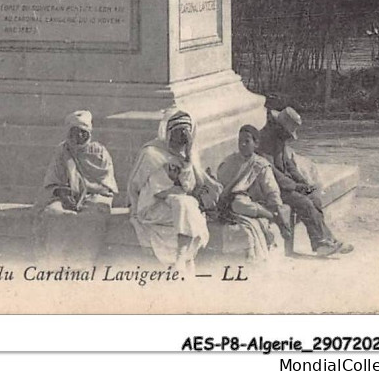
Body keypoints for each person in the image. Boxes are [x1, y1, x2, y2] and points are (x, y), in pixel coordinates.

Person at [127, 108, 218, 272]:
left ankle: (180, 259)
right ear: (168, 132)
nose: (182, 136)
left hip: (176, 209)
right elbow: (162, 191)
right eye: (178, 132)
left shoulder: (186, 155)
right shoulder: (152, 154)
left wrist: (188, 159)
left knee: (185, 205)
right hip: (152, 209)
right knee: (184, 203)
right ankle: (182, 258)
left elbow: (188, 186)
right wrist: (182, 190)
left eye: (186, 132)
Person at [258, 107, 353, 257]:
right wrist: (296, 186)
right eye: (288, 133)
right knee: (304, 202)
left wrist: (303, 182)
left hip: (283, 186)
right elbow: (270, 172)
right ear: (280, 127)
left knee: (314, 199)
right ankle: (321, 243)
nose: (288, 137)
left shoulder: (278, 138)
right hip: (269, 188)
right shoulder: (264, 140)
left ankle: (327, 240)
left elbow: (288, 164)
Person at [34, 110, 117, 263]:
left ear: (89, 133)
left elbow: (105, 184)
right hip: (65, 195)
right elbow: (53, 179)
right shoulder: (62, 150)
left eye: (83, 132)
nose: (79, 136)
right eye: (74, 132)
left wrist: (84, 192)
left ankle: (83, 263)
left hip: (95, 195)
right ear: (68, 132)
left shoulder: (99, 152)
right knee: (54, 214)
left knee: (89, 218)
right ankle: (54, 262)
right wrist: (63, 193)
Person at [216, 125, 290, 262]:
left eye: (247, 141)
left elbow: (272, 189)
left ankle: (271, 215)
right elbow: (221, 184)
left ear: (256, 144)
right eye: (240, 141)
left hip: (256, 204)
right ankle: (270, 216)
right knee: (238, 203)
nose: (242, 145)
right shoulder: (230, 161)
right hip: (233, 204)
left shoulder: (260, 164)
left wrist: (276, 207)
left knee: (240, 204)